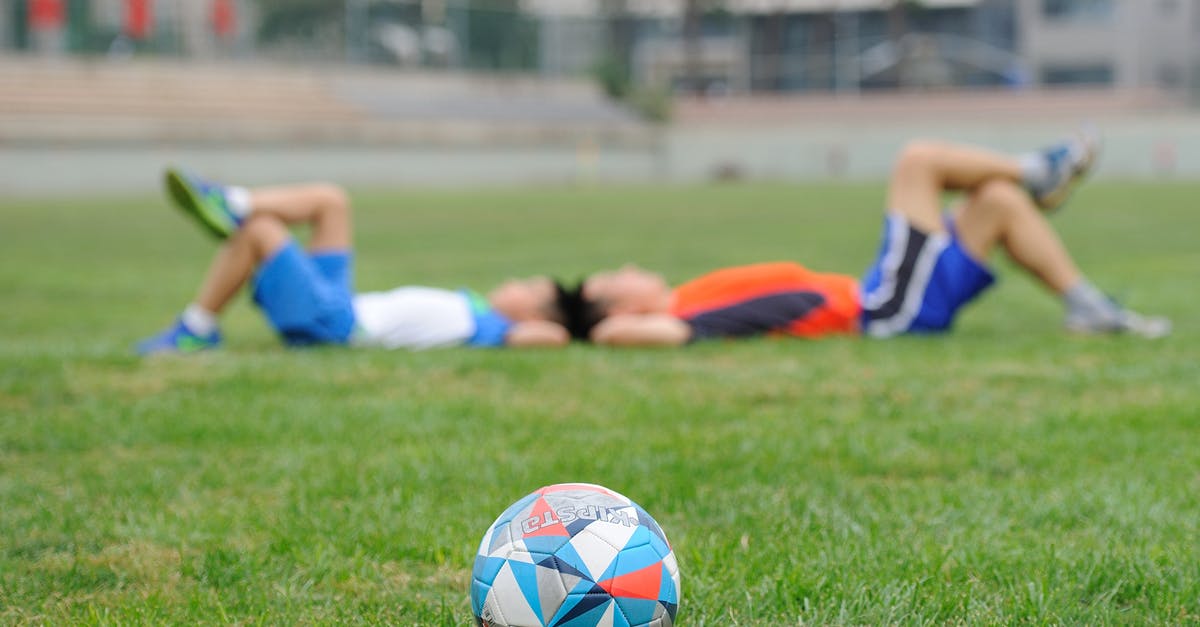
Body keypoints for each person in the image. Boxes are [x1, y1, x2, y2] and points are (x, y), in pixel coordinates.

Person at [574, 133, 1172, 346]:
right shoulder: (682, 317)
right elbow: (619, 334)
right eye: (616, 278)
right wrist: (589, 323)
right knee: (918, 161)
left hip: (886, 300)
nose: (629, 264)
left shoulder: (685, 296)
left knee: (995, 203)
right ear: (624, 306)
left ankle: (1087, 306)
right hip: (883, 310)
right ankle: (1040, 170)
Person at [137, 170, 571, 355]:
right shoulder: (475, 305)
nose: (516, 281)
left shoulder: (500, 330)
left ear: (532, 314)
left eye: (529, 288)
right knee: (332, 202)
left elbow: (556, 337)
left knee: (262, 231)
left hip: (338, 326)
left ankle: (196, 331)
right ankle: (232, 201)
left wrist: (585, 315)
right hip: (342, 302)